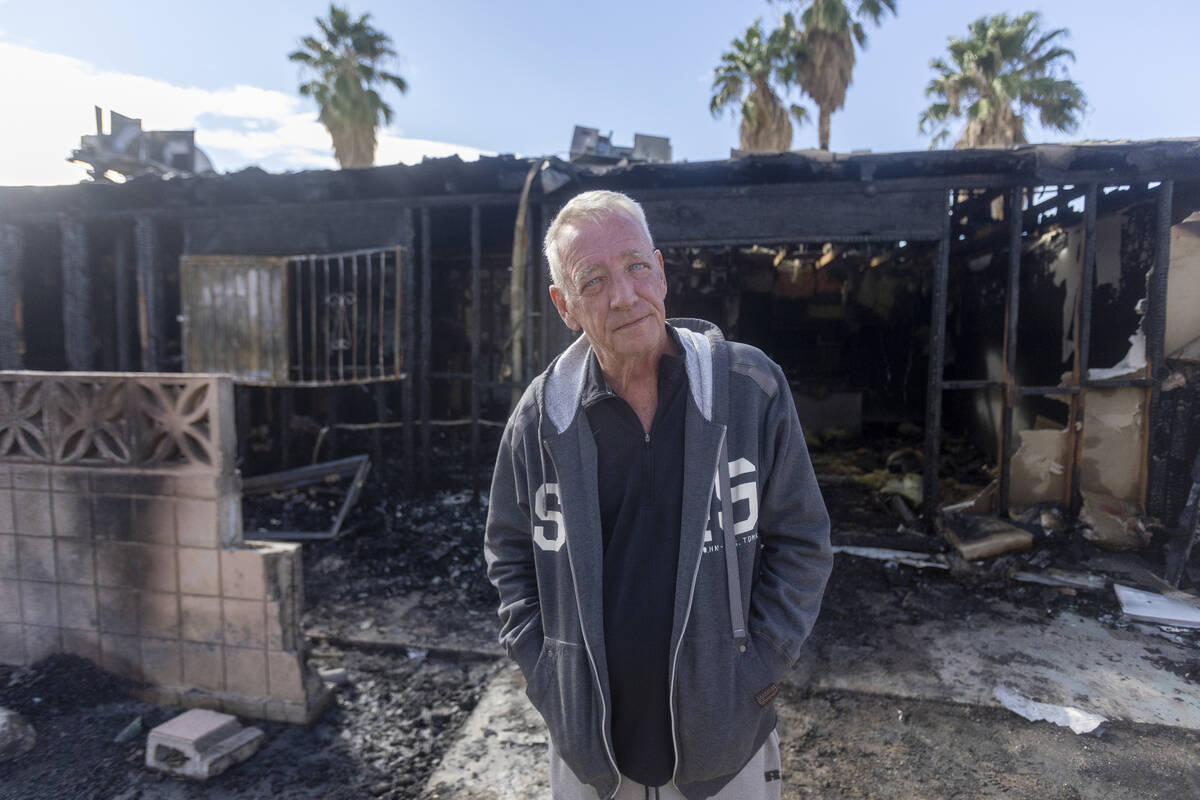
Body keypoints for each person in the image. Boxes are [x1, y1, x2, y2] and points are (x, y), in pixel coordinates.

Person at [484, 190, 832, 800]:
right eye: (593, 280)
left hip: (728, 748)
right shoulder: (538, 422)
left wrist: (756, 668)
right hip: (590, 753)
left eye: (635, 266)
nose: (623, 295)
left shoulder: (750, 389)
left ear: (662, 271)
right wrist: (548, 676)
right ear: (564, 307)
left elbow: (802, 540)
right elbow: (509, 556)